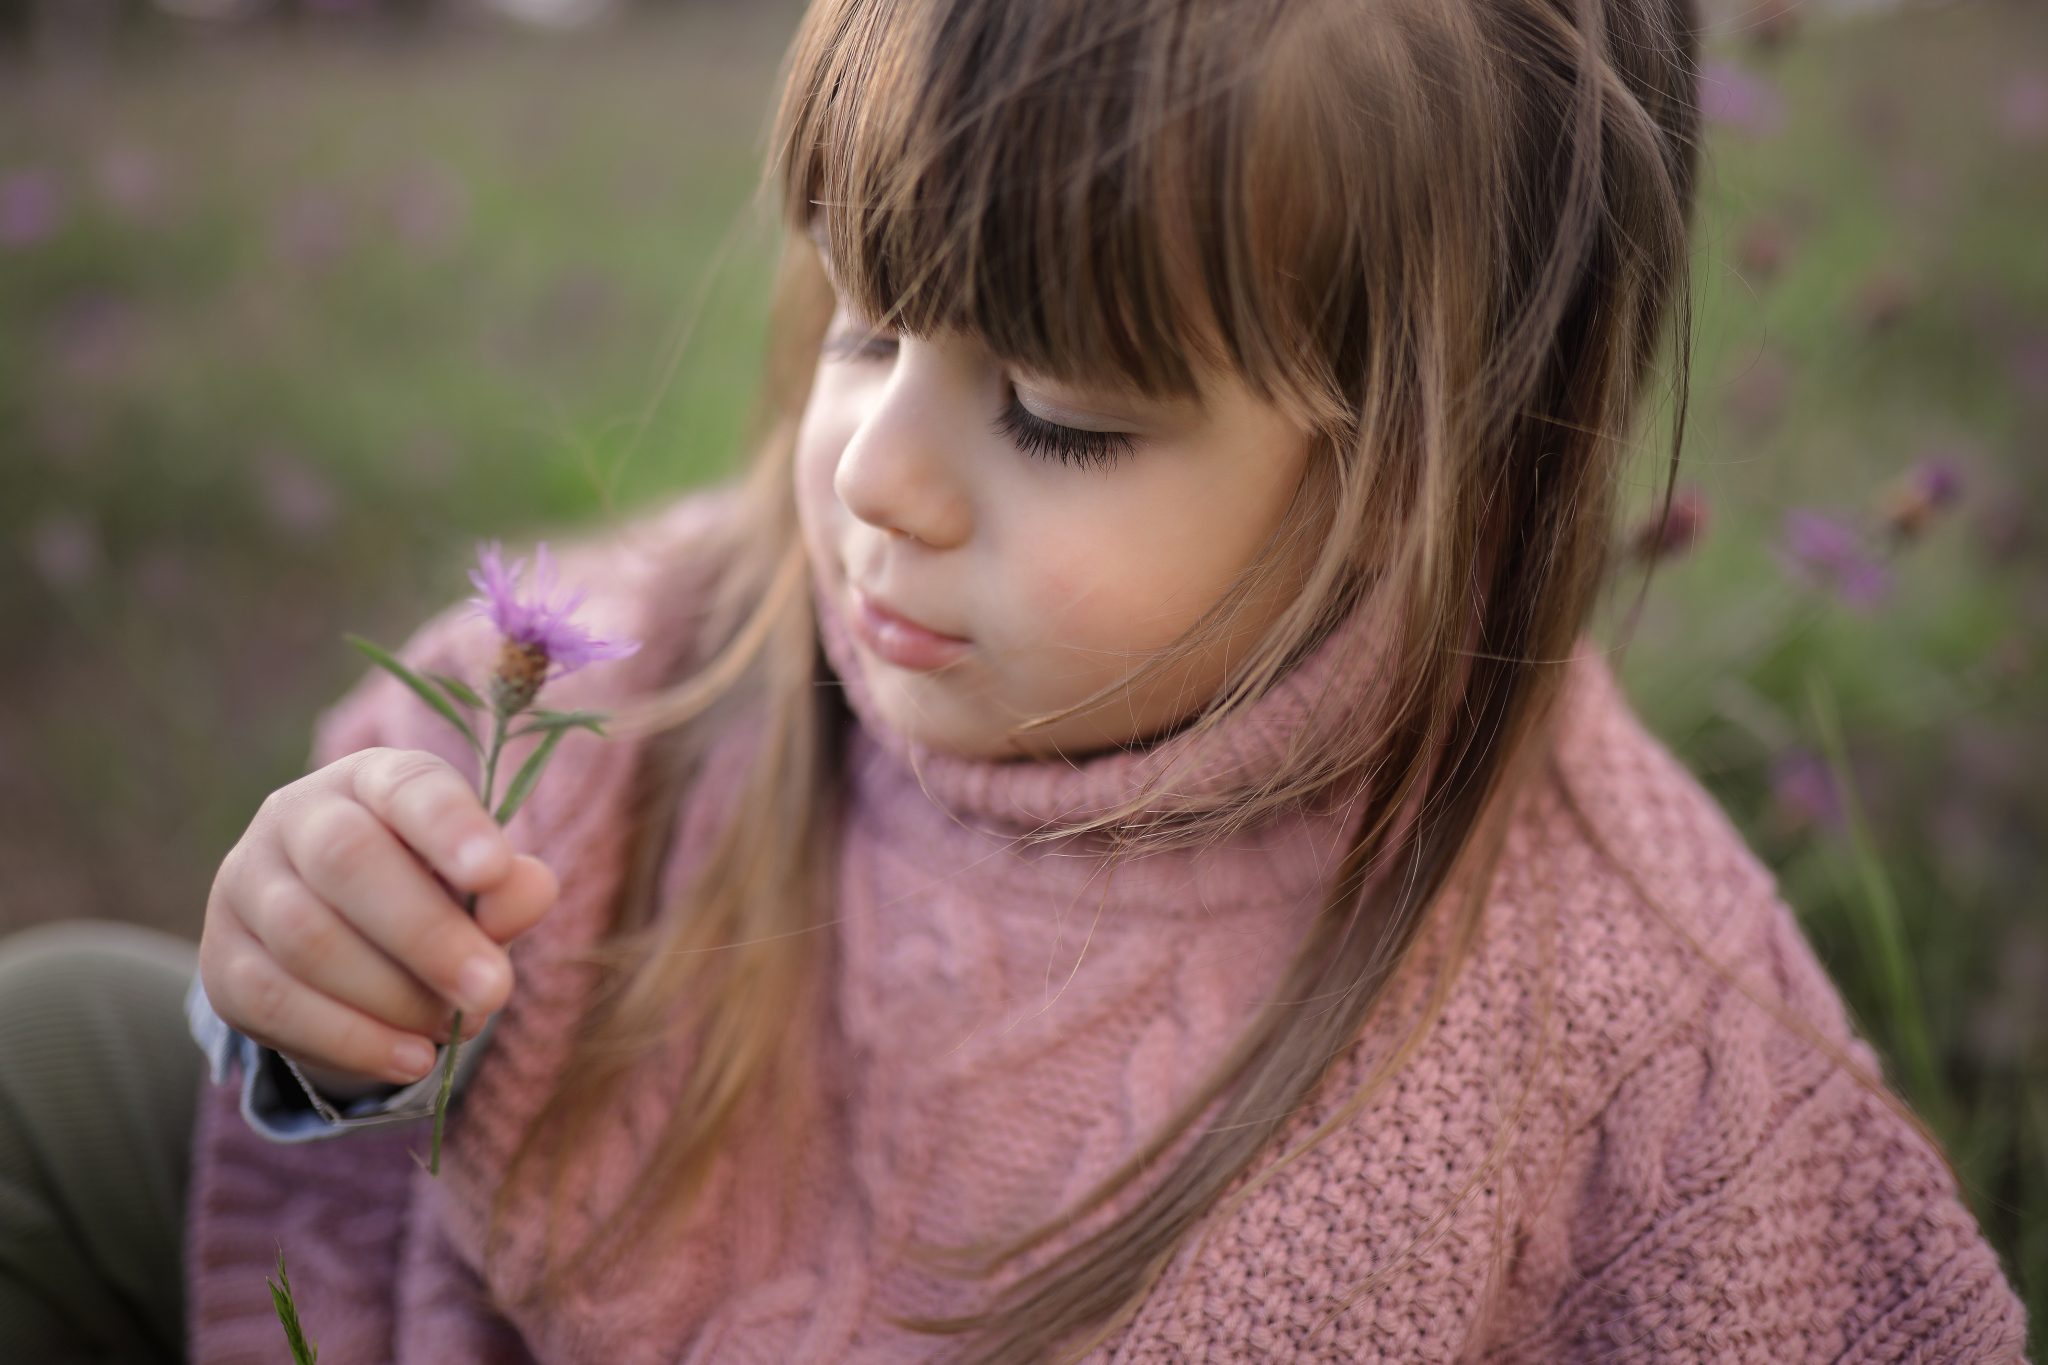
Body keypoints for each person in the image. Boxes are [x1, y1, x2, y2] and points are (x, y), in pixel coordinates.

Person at [0, 0, 2030, 1359]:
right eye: (866, 327)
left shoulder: (1619, 1014)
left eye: (1055, 412)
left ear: (1428, 468)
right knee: (65, 1031)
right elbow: (377, 1035)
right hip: (474, 1311)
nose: (872, 475)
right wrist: (322, 979)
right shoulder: (710, 644)